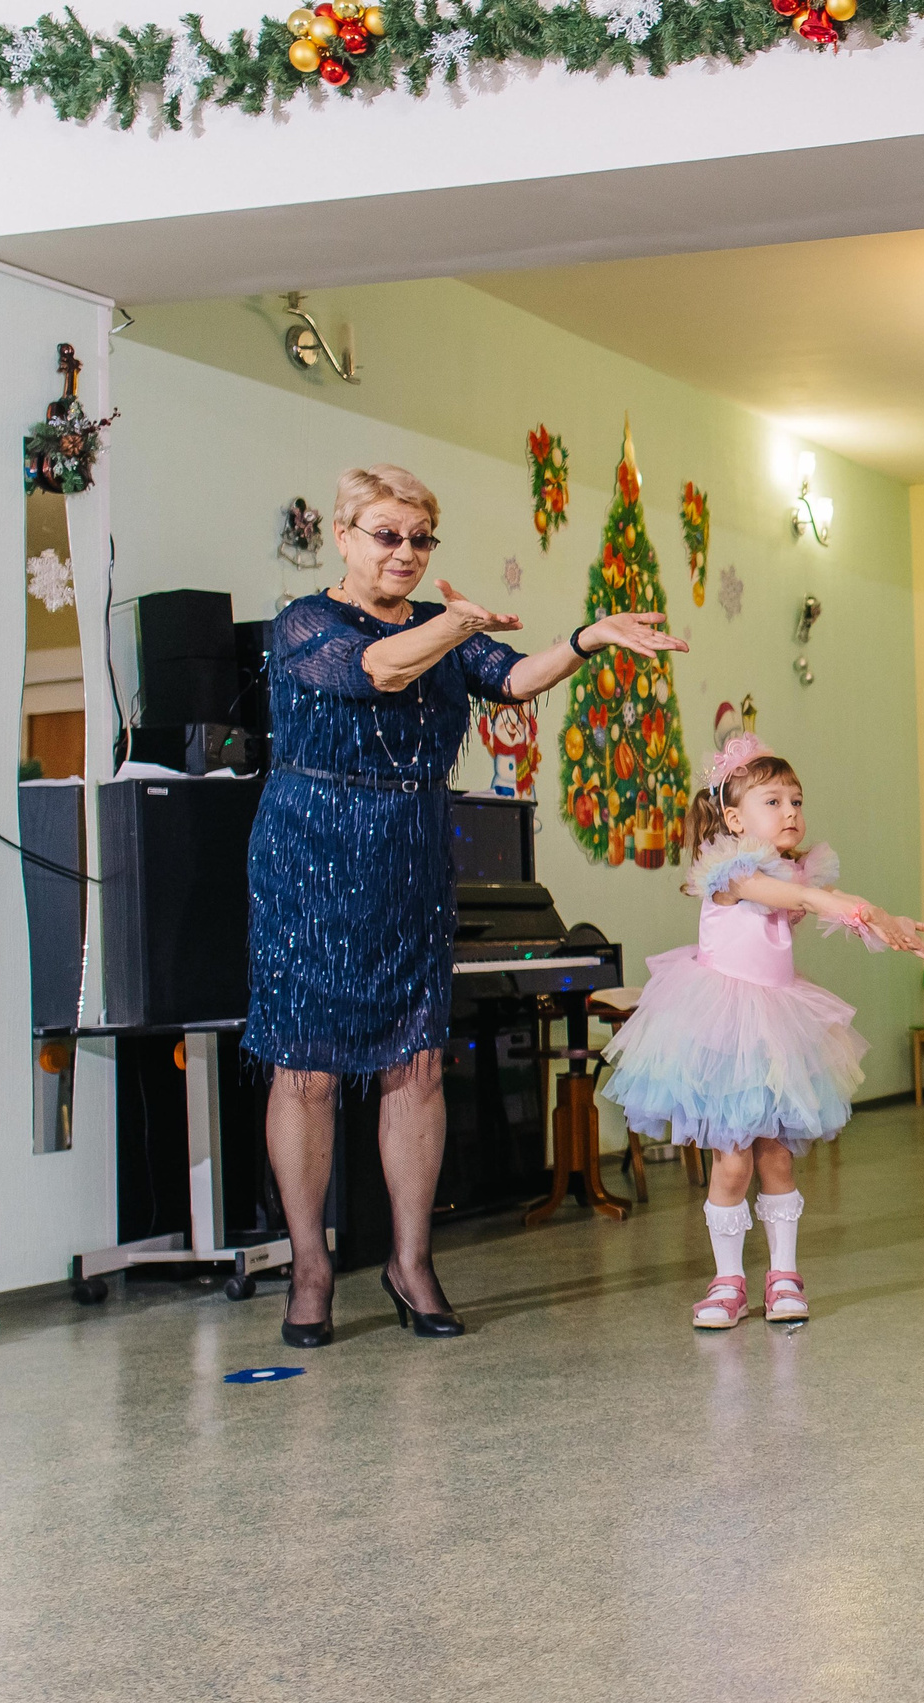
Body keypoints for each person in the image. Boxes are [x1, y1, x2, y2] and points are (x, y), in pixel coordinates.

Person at [248, 464, 687, 1348]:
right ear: (344, 536)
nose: (405, 552)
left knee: (417, 1060)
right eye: (386, 535)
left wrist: (587, 636)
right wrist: (451, 624)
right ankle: (310, 1266)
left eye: (419, 538)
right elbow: (377, 669)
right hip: (310, 854)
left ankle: (411, 1263)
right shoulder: (304, 623)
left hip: (409, 854)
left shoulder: (439, 630)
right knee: (309, 1067)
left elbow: (520, 677)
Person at [601, 735, 924, 1329]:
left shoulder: (796, 871)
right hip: (724, 1027)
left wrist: (888, 921)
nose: (791, 813)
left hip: (778, 1027)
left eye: (796, 801)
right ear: (734, 818)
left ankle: (784, 1276)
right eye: (773, 801)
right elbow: (803, 897)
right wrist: (850, 907)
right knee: (734, 1163)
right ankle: (728, 1280)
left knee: (777, 1158)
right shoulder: (730, 873)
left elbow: (823, 898)